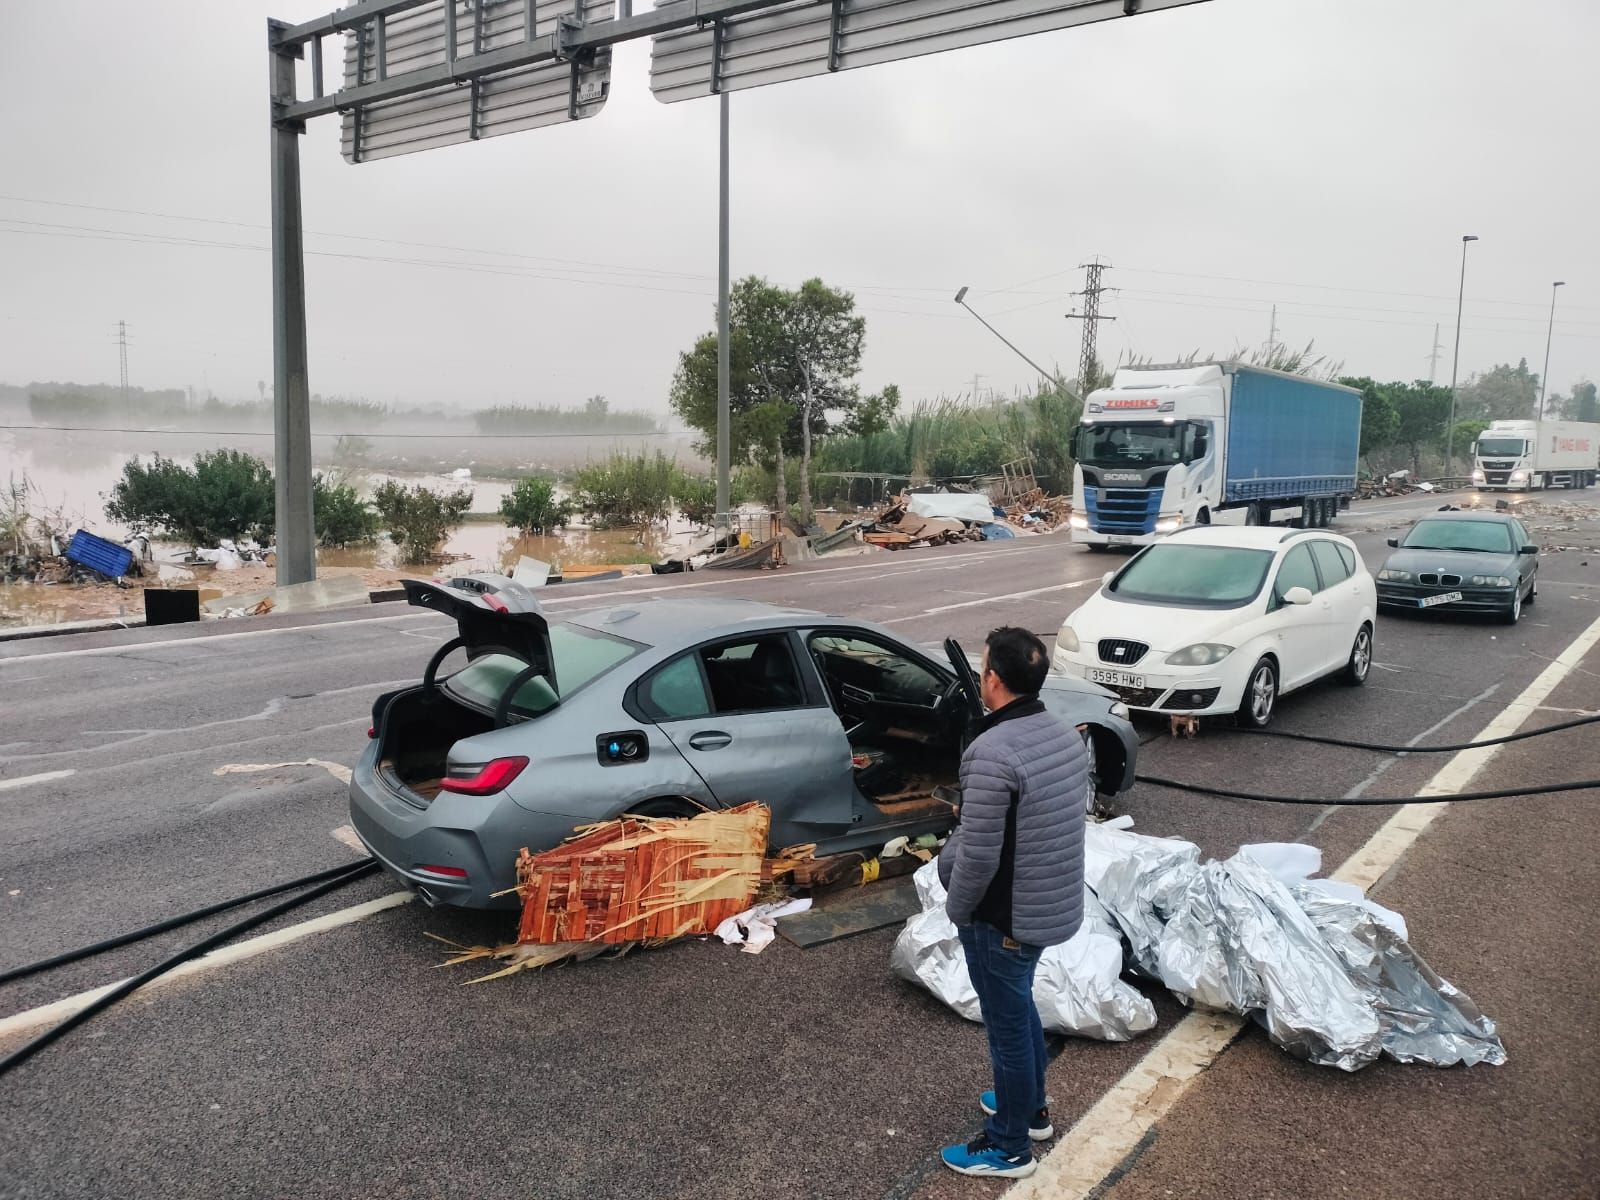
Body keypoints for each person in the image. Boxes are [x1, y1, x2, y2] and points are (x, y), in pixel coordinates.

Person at [937, 626, 1090, 1180]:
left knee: (1005, 1027)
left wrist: (957, 908)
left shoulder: (992, 751)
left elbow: (977, 857)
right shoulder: (1062, 734)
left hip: (1003, 915)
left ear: (993, 680)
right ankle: (1032, 1111)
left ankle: (1009, 1147)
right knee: (1018, 1006)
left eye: (983, 669)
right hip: (1047, 904)